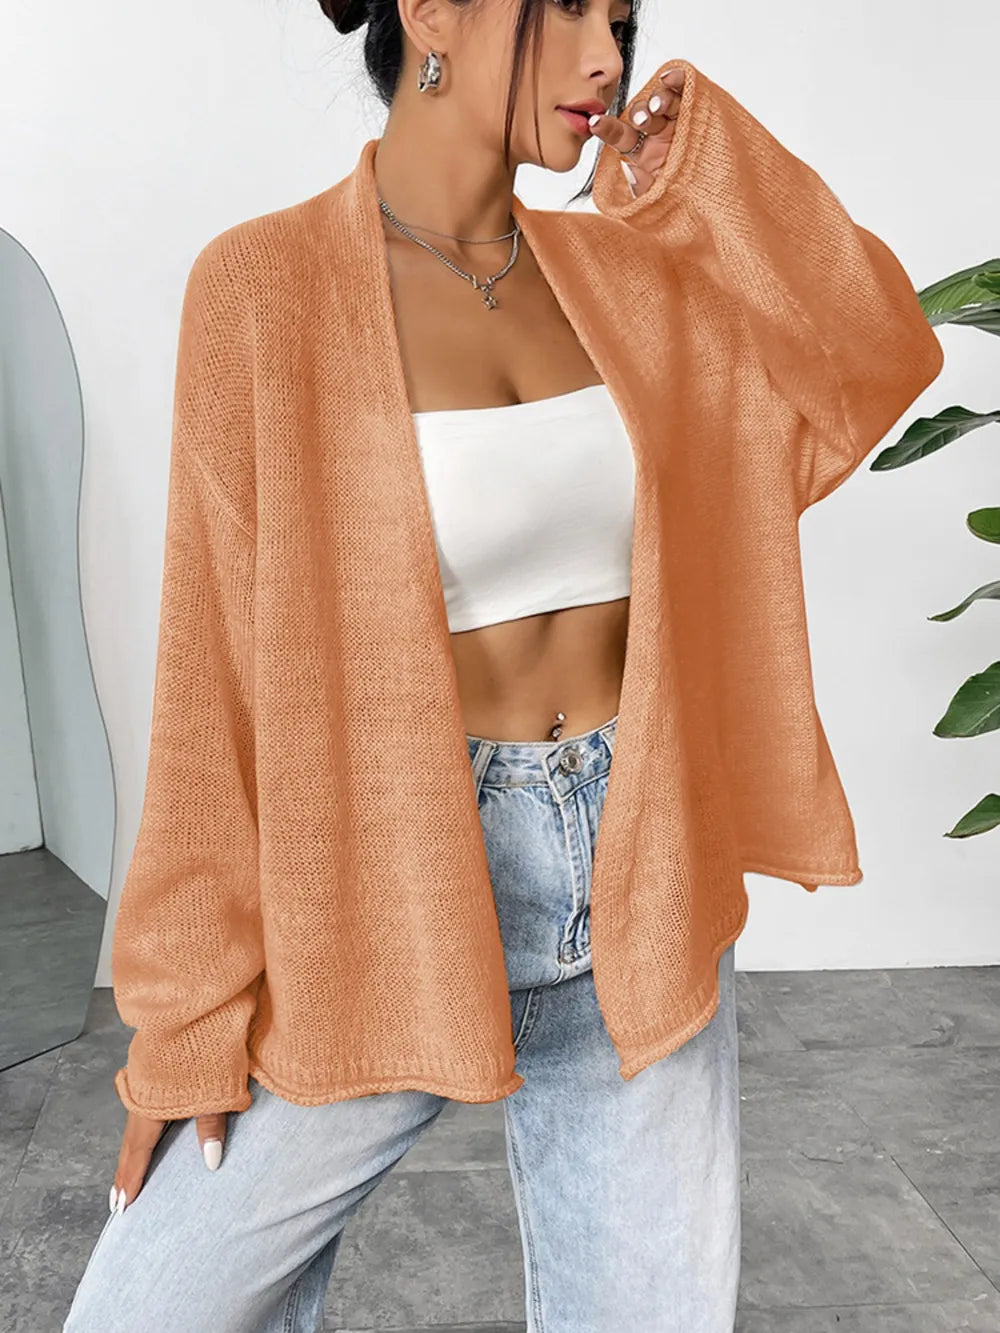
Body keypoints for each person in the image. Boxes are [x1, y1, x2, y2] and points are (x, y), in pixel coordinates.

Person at [63, 0, 944, 1329]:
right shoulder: (263, 287)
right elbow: (210, 682)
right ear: (431, 11)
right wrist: (185, 1025)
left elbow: (873, 360)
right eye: (571, 7)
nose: (607, 58)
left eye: (623, 21)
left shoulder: (632, 273)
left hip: (640, 874)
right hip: (385, 889)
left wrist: (713, 179)